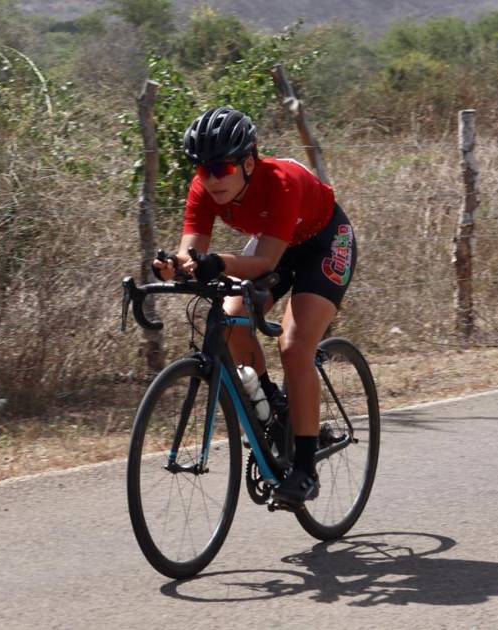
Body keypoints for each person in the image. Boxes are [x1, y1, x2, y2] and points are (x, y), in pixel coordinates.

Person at [153, 106, 358, 507]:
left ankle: (304, 469)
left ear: (248, 163)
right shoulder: (203, 189)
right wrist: (172, 266)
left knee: (294, 346)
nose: (212, 179)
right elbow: (191, 251)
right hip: (276, 244)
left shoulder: (280, 182)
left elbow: (264, 262)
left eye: (222, 169)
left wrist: (217, 262)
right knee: (232, 323)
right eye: (203, 170)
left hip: (323, 245)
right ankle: (276, 411)